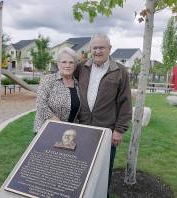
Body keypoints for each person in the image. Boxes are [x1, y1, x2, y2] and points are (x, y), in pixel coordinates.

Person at [74, 33, 132, 196]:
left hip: (107, 132)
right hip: (83, 129)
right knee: (81, 169)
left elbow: (125, 102)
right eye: (95, 48)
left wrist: (119, 130)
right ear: (90, 49)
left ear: (109, 49)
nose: (98, 51)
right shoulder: (82, 67)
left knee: (103, 172)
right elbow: (66, 76)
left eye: (102, 47)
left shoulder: (120, 71)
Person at [34, 47, 80, 133]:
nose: (67, 65)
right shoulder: (48, 80)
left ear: (75, 65)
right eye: (64, 62)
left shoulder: (78, 84)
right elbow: (40, 104)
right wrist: (58, 123)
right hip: (46, 131)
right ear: (58, 64)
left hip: (68, 133)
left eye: (71, 62)